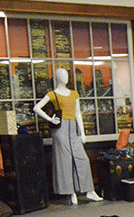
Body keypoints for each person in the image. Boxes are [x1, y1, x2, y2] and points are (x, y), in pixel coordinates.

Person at [34, 68, 103, 205]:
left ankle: (89, 190)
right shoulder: (53, 94)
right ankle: (70, 193)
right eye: (61, 75)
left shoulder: (74, 94)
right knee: (64, 162)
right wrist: (50, 119)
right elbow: (37, 108)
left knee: (82, 159)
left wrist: (82, 132)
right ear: (57, 77)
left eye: (66, 74)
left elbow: (78, 114)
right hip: (60, 129)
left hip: (73, 129)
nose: (64, 77)